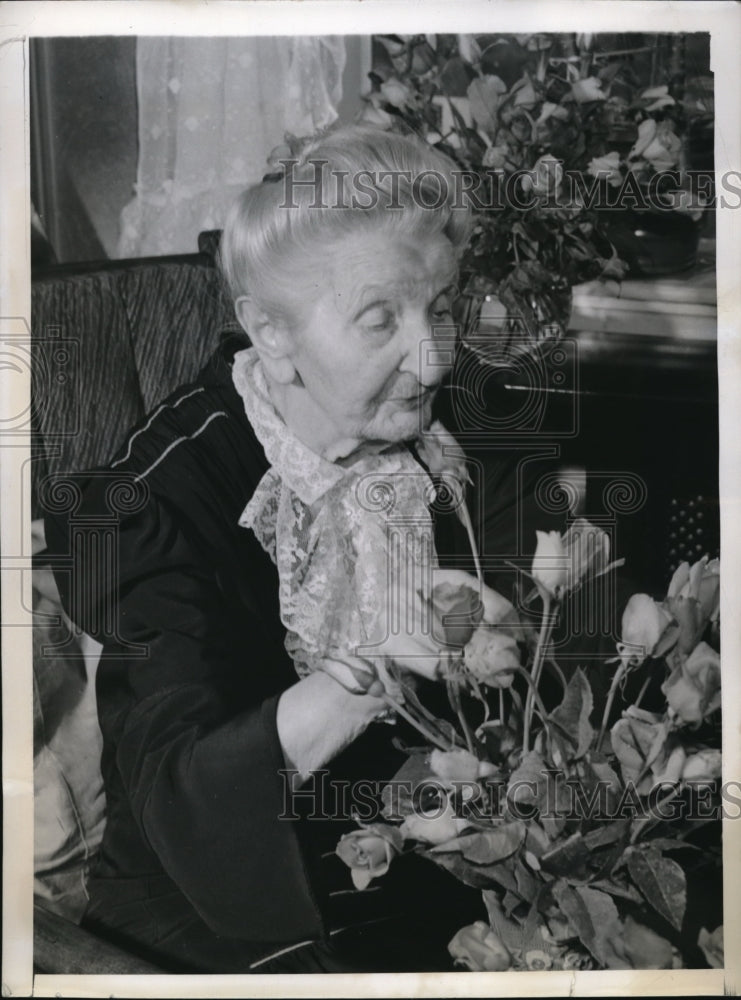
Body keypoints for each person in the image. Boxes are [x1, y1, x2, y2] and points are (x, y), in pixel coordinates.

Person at [45, 125, 563, 973]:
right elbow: (182, 798)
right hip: (216, 917)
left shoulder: (457, 436)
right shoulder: (152, 499)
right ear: (271, 334)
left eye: (439, 306)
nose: (431, 359)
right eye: (377, 320)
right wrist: (371, 668)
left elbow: (534, 689)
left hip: (434, 878)